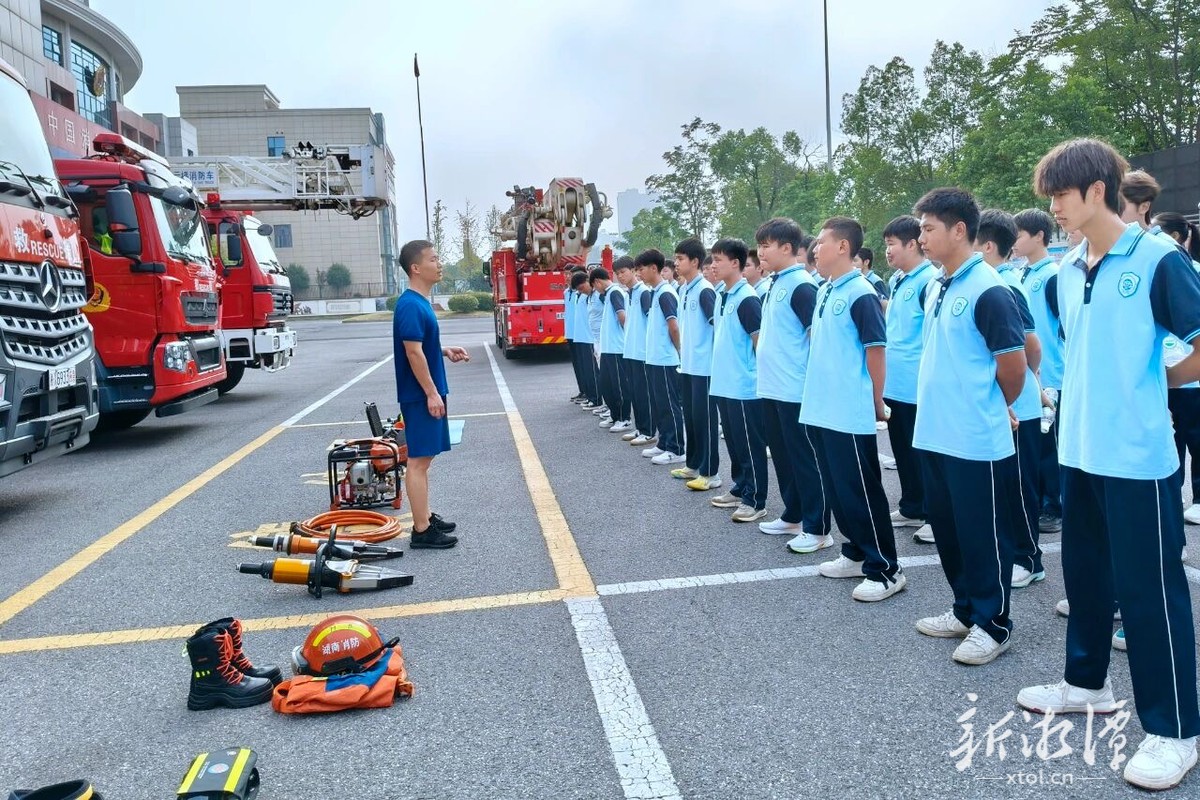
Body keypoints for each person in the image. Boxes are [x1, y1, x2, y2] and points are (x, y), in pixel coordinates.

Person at [1016, 139, 1200, 791]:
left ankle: (1176, 729)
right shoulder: (1066, 270)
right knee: (1087, 577)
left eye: (1061, 196)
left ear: (1098, 191)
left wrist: (1153, 382)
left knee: (1151, 591)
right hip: (1079, 450)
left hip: (1137, 458)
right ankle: (1085, 684)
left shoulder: (1158, 259)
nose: (1054, 209)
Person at [910, 188, 1026, 666]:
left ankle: (993, 624)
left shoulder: (989, 289)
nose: (921, 237)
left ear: (960, 230)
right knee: (949, 530)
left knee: (984, 535)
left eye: (928, 229)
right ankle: (965, 610)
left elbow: (1013, 367)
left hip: (975, 437)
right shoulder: (938, 285)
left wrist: (992, 405)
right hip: (935, 432)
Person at [800, 217, 903, 602]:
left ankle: (885, 569)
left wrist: (876, 400)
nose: (815, 249)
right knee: (838, 488)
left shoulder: (860, 292)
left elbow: (876, 350)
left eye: (821, 242)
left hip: (848, 409)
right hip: (822, 407)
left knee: (860, 490)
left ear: (843, 247)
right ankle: (856, 552)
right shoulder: (827, 289)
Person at [975, 209, 1046, 590]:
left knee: (1019, 487)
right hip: (1003, 401)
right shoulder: (988, 281)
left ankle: (1028, 558)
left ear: (987, 246)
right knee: (1006, 486)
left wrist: (1026, 384)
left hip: (1018, 403)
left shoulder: (1005, 286)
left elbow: (1031, 346)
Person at [754, 217, 830, 552]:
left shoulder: (801, 286)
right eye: (759, 245)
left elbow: (816, 338)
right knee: (784, 457)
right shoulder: (776, 282)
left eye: (766, 245)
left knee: (805, 459)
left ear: (787, 248)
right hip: (773, 386)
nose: (760, 252)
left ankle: (818, 527)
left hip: (795, 388)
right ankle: (794, 514)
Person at [392, 240, 469, 550]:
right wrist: (432, 393)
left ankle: (424, 517)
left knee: (425, 459)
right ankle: (422, 531)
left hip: (426, 391)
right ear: (416, 268)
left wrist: (444, 351)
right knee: (418, 461)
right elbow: (412, 353)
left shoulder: (419, 302)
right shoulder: (410, 304)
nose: (440, 265)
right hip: (420, 394)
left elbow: (421, 346)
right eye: (434, 259)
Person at [880, 215, 937, 545]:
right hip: (897, 383)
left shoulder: (928, 280)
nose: (887, 251)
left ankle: (933, 513)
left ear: (912, 244)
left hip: (916, 384)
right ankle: (912, 505)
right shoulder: (899, 279)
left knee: (923, 454)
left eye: (892, 244)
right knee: (902, 450)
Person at [1013, 208, 1065, 534]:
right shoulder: (1023, 274)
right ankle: (1041, 503)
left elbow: (1066, 326)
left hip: (1052, 375)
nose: (1014, 241)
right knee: (1037, 445)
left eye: (1019, 234)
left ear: (1039, 236)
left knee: (1050, 447)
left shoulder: (1052, 276)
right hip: (1032, 375)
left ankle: (1054, 507)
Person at [708, 238, 767, 523]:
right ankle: (740, 486)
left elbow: (759, 342)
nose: (713, 265)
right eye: (712, 260)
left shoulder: (747, 298)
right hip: (724, 383)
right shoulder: (723, 295)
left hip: (744, 385)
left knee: (749, 445)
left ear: (735, 263)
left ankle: (755, 500)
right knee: (733, 442)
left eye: (718, 260)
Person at [672, 238, 721, 488]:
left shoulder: (704, 290)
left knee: (705, 420)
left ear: (694, 261)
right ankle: (693, 465)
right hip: (688, 365)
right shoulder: (684, 289)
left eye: (680, 259)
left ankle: (711, 474)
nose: (676, 263)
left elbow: (717, 327)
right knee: (690, 418)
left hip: (704, 368)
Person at [637, 248, 686, 464]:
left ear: (653, 268)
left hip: (666, 359)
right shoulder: (655, 292)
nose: (639, 273)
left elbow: (673, 326)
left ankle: (676, 449)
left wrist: (679, 351)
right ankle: (664, 443)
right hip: (655, 359)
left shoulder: (666, 293)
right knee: (659, 405)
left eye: (641, 269)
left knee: (669, 405)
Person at [621, 258, 657, 447]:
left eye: (623, 271)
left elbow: (651, 322)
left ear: (633, 271)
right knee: (635, 393)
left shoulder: (643, 292)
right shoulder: (630, 293)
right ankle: (640, 428)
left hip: (642, 352)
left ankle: (649, 431)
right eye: (617, 273)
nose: (620, 276)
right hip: (631, 351)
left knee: (644, 394)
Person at [592, 266, 631, 432]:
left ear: (597, 282)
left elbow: (622, 316)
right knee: (606, 384)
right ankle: (615, 415)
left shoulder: (614, 292)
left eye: (594, 287)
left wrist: (626, 337)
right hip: (608, 348)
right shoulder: (608, 294)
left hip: (616, 347)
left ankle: (624, 418)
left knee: (619, 385)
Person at [570, 272, 602, 410]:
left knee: (593, 372)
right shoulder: (585, 295)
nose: (581, 290)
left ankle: (597, 399)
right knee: (587, 371)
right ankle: (591, 397)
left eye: (582, 287)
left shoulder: (598, 295)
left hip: (590, 338)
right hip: (581, 337)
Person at [564, 268, 587, 403]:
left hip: (581, 334)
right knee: (577, 365)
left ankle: (589, 392)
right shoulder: (566, 292)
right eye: (566, 274)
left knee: (585, 366)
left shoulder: (583, 294)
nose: (568, 277)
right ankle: (582, 390)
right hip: (571, 334)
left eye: (570, 275)